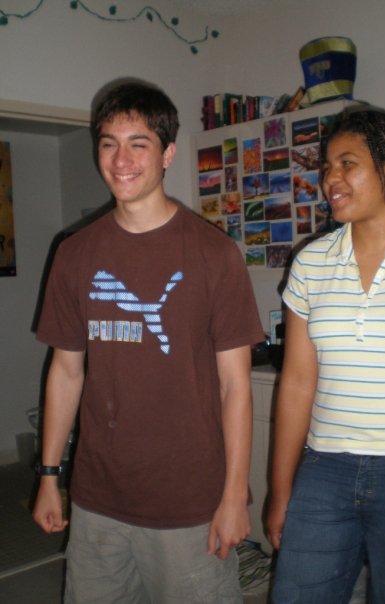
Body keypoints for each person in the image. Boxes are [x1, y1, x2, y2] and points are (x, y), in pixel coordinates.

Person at [32, 79, 263, 603]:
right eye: (109, 143)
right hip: (97, 501)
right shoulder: (74, 253)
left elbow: (235, 388)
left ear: (167, 154)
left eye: (139, 144)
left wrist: (234, 496)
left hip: (189, 504)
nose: (121, 160)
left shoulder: (214, 254)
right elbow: (65, 372)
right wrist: (49, 475)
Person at [266, 106, 385, 604]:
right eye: (327, 167)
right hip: (325, 468)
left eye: (348, 164)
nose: (331, 179)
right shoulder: (312, 262)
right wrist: (280, 491)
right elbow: (297, 383)